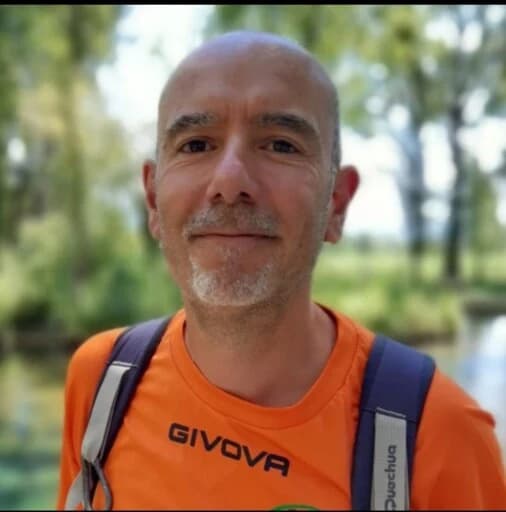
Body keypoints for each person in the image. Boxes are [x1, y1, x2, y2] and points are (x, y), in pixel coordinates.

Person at [56, 30, 506, 510]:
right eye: (196, 144)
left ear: (337, 203)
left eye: (280, 145)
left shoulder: (437, 435)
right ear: (152, 198)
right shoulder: (103, 382)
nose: (229, 181)